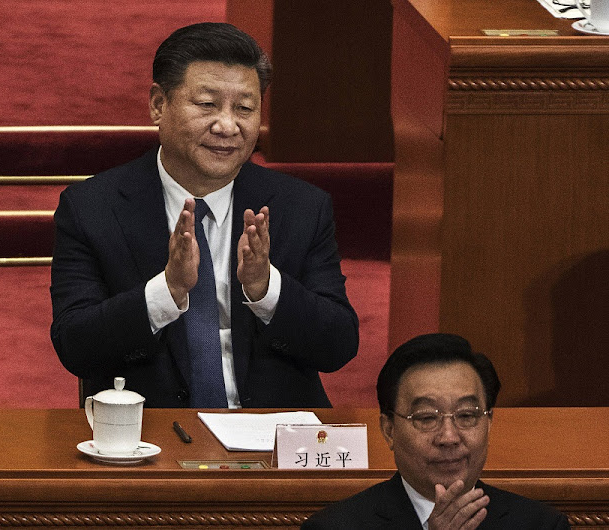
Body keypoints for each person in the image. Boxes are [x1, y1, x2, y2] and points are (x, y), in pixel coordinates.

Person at [50, 22, 358, 408]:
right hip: (150, 438)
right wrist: (167, 291)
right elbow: (75, 346)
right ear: (159, 105)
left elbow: (339, 346)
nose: (227, 126)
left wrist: (266, 289)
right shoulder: (93, 207)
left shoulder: (300, 207)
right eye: (207, 104)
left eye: (244, 108)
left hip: (272, 438)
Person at [302, 333, 570, 529]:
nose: (449, 437)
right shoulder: (334, 527)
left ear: (489, 422)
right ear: (389, 430)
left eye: (466, 415)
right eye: (427, 417)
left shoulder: (542, 525)